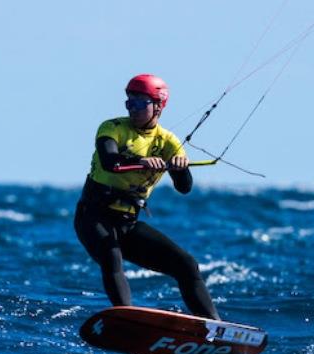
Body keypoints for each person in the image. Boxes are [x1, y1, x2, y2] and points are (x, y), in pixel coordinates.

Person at [74, 74, 220, 320]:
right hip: (93, 217)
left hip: (128, 224)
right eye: (129, 103)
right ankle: (126, 318)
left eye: (140, 103)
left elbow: (184, 188)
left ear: (158, 106)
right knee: (111, 255)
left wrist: (180, 168)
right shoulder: (113, 128)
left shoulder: (168, 142)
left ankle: (216, 329)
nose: (133, 109)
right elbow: (110, 160)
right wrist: (141, 161)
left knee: (187, 265)